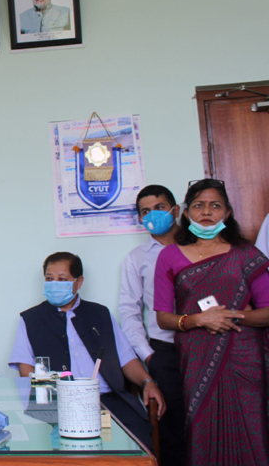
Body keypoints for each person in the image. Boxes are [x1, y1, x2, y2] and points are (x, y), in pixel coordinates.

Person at [154, 179, 269, 466]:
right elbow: (163, 318)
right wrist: (199, 319)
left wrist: (230, 315)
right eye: (198, 205)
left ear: (227, 213)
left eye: (215, 205)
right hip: (197, 357)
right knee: (202, 429)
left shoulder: (246, 254)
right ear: (187, 213)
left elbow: (267, 311)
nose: (207, 211)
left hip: (245, 358)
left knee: (251, 431)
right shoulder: (169, 255)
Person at [10, 252, 165, 449]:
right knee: (59, 447)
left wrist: (148, 381)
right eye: (49, 279)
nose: (54, 284)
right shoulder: (31, 320)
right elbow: (26, 370)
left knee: (130, 440)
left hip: (106, 402)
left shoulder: (100, 314)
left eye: (62, 279)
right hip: (59, 404)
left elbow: (126, 359)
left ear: (79, 282)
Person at [118, 185, 185, 466]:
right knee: (172, 429)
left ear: (175, 210)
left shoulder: (198, 247)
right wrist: (148, 356)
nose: (153, 215)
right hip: (164, 352)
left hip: (206, 344)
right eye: (146, 211)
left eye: (159, 208)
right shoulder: (137, 258)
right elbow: (129, 312)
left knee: (212, 419)